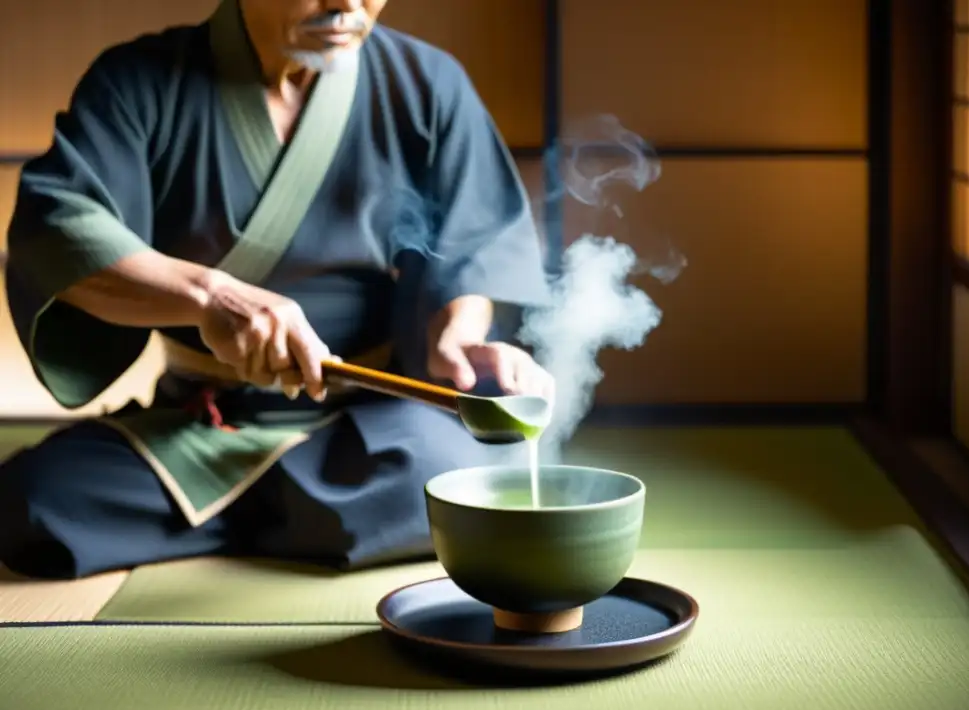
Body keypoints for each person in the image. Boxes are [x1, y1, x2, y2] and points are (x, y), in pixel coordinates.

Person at [0, 0, 554, 580]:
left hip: (365, 423)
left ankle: (215, 514)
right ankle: (303, 514)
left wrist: (460, 339)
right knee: (30, 505)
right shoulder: (139, 81)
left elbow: (475, 240)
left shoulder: (428, 84)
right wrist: (209, 296)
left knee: (451, 474)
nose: (347, 3)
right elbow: (58, 227)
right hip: (198, 427)